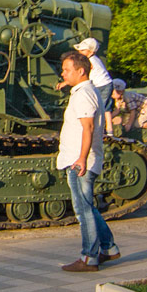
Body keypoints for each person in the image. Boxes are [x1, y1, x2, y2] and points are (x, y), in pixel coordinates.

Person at [57, 50, 119, 272]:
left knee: (83, 210)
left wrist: (81, 159)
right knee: (87, 207)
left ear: (80, 71)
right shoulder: (84, 91)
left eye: (67, 70)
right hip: (77, 157)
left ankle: (89, 257)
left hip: (79, 160)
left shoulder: (84, 94)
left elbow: (88, 127)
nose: (63, 73)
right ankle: (109, 248)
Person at [74, 37, 114, 112]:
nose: (80, 52)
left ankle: (99, 123)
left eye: (83, 50)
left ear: (91, 52)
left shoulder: (90, 61)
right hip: (106, 84)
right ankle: (108, 123)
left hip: (102, 85)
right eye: (79, 50)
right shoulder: (94, 58)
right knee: (105, 108)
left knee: (99, 107)